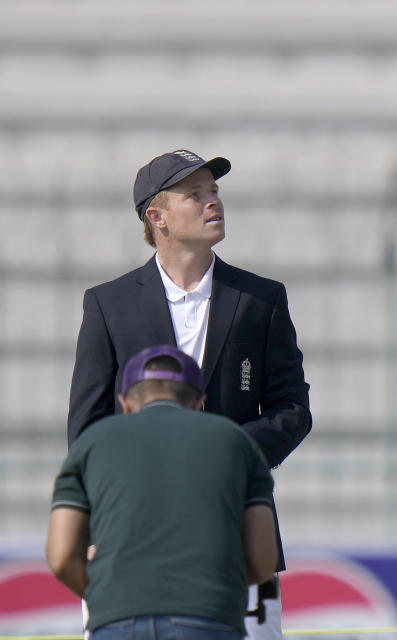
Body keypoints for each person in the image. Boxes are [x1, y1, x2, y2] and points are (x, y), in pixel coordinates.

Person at [67, 149, 311, 639]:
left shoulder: (261, 298)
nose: (212, 201)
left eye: (214, 191)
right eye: (194, 193)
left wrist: (223, 452)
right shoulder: (108, 303)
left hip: (236, 529)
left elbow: (293, 410)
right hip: (133, 536)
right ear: (156, 217)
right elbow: (87, 428)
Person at [47, 345, 277, 639]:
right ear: (198, 403)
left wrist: (107, 597)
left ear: (125, 404)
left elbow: (61, 556)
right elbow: (262, 560)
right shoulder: (237, 443)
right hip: (209, 616)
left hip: (118, 617)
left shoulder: (90, 443)